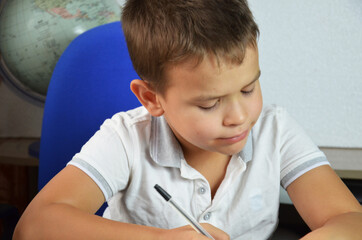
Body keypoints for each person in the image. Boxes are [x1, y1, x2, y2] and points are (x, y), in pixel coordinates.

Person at [14, 0, 362, 239]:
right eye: (210, 104)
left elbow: (351, 221)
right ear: (151, 98)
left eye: (248, 88)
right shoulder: (125, 138)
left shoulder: (275, 129)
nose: (239, 117)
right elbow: (33, 228)